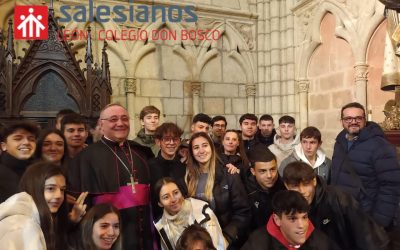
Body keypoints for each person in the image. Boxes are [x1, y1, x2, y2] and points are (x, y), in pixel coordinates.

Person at [68, 103, 156, 250]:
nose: (120, 123)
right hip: (108, 238)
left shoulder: (142, 153)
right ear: (101, 125)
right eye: (113, 119)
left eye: (124, 119)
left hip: (145, 234)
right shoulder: (85, 158)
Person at [283, 161, 390, 250]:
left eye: (306, 184)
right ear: (286, 186)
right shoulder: (285, 207)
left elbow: (366, 233)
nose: (302, 191)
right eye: (295, 186)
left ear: (314, 181)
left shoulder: (338, 198)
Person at [331, 102, 400, 229]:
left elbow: (391, 187)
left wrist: (378, 222)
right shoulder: (340, 142)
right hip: (343, 214)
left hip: (366, 217)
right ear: (342, 121)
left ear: (365, 120)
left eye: (358, 118)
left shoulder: (380, 146)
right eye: (348, 118)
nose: (353, 122)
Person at [0, 162, 87, 249]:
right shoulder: (20, 225)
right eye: (50, 188)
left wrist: (70, 221)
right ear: (34, 188)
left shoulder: (36, 219)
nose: (59, 195)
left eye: (62, 190)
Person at [185, 132, 250, 249]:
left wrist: (227, 237)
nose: (201, 150)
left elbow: (243, 212)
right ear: (191, 152)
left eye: (205, 145)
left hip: (224, 242)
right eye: (196, 147)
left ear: (212, 147)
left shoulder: (229, 175)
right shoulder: (187, 178)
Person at [241, 190, 339, 250]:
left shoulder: (320, 241)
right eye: (292, 219)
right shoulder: (257, 244)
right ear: (277, 219)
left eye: (304, 217)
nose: (301, 225)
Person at [154, 177, 226, 250]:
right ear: (160, 203)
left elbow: (218, 246)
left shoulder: (203, 212)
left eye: (176, 193)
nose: (173, 199)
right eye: (166, 197)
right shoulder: (162, 226)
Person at [148, 122, 187, 219]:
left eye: (175, 139)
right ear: (158, 142)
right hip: (158, 221)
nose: (171, 143)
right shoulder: (149, 166)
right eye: (166, 139)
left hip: (183, 219)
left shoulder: (184, 167)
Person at [244, 145, 286, 232]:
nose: (269, 176)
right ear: (253, 171)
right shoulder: (244, 190)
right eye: (263, 171)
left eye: (273, 169)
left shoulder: (284, 187)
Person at [0, 121, 39, 202]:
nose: (26, 142)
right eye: (18, 138)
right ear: (4, 146)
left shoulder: (41, 170)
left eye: (31, 139)